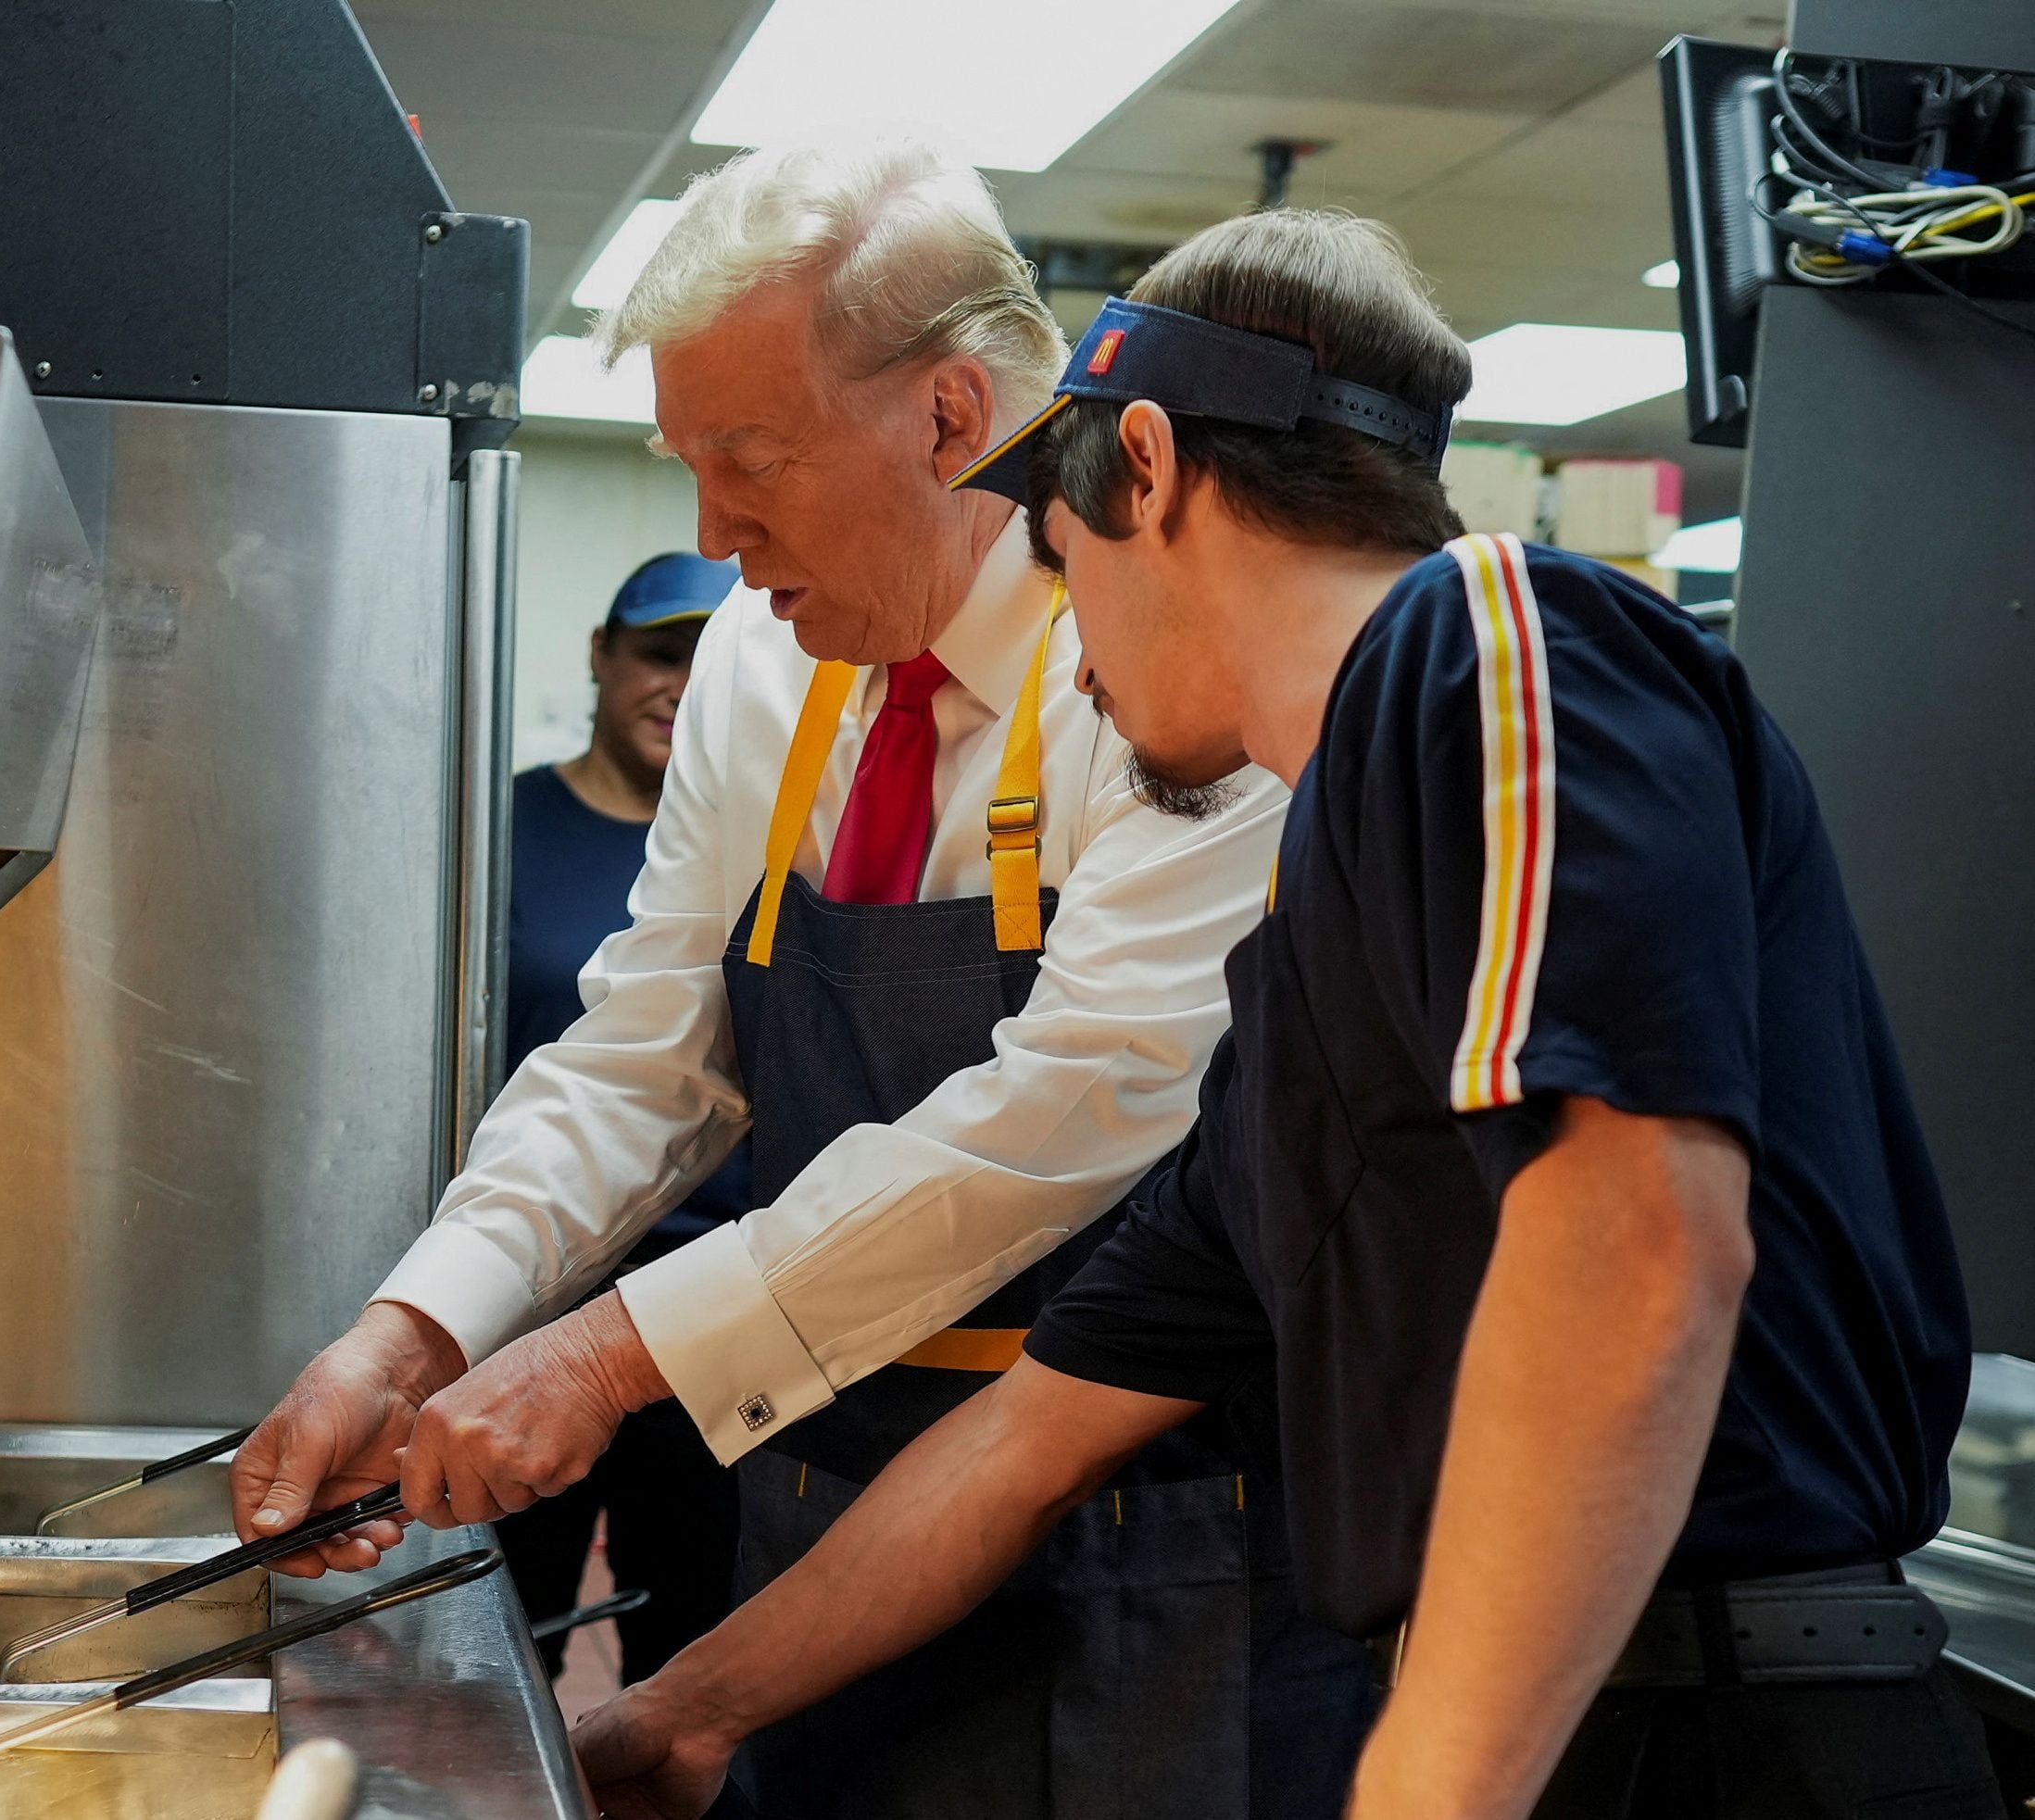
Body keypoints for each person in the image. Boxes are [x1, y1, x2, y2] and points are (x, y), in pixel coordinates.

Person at [572, 207, 1993, 1820]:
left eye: (1059, 560)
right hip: (1573, 1730)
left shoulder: (1495, 639)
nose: (1071, 662)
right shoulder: (1301, 1003)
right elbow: (1026, 1438)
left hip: (1727, 1735)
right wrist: (683, 1715)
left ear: (1156, 471)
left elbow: (1637, 1238)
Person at [234, 141, 1375, 1817]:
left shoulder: (1169, 665)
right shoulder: (767, 662)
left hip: (1140, 1551)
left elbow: (1066, 1108)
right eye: (685, 466)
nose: (710, 531)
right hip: (815, 1507)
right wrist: (417, 1328)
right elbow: (648, 1049)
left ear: (946, 414)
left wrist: (609, 1356)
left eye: (746, 459)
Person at [496, 551, 749, 1685]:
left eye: (711, 664)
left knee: (691, 1648)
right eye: (659, 655)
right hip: (532, 1303)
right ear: (600, 658)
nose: (681, 689)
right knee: (504, 1628)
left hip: (713, 1317)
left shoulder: (762, 853)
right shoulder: (502, 830)